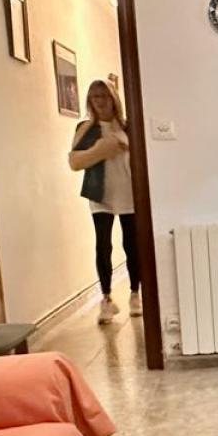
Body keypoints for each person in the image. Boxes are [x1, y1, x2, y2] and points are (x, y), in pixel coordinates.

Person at [67, 79, 140, 324]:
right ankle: (106, 299)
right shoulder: (85, 128)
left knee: (132, 245)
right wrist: (100, 149)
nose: (99, 101)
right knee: (103, 246)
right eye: (94, 96)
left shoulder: (128, 126)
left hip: (129, 192)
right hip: (101, 195)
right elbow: (75, 161)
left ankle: (135, 294)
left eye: (104, 96)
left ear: (113, 98)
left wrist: (123, 146)